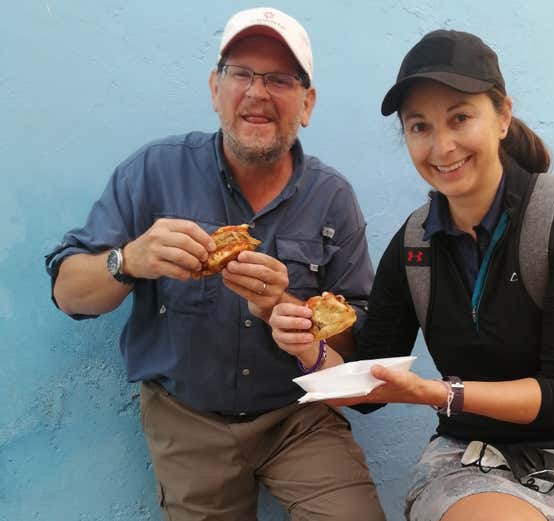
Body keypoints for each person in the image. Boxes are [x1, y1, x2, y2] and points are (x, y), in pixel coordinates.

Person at [269, 30, 554, 521]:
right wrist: (309, 349)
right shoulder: (414, 245)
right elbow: (369, 389)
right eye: (419, 127)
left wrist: (438, 393)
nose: (442, 146)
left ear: (503, 116)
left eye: (460, 118)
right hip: (470, 454)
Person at [45, 7, 385, 521]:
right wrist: (129, 260)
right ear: (214, 87)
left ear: (307, 103)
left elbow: (356, 347)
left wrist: (284, 308)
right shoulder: (153, 172)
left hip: (298, 417)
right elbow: (67, 292)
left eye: (279, 79)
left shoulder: (332, 197)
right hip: (188, 417)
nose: (257, 92)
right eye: (241, 74)